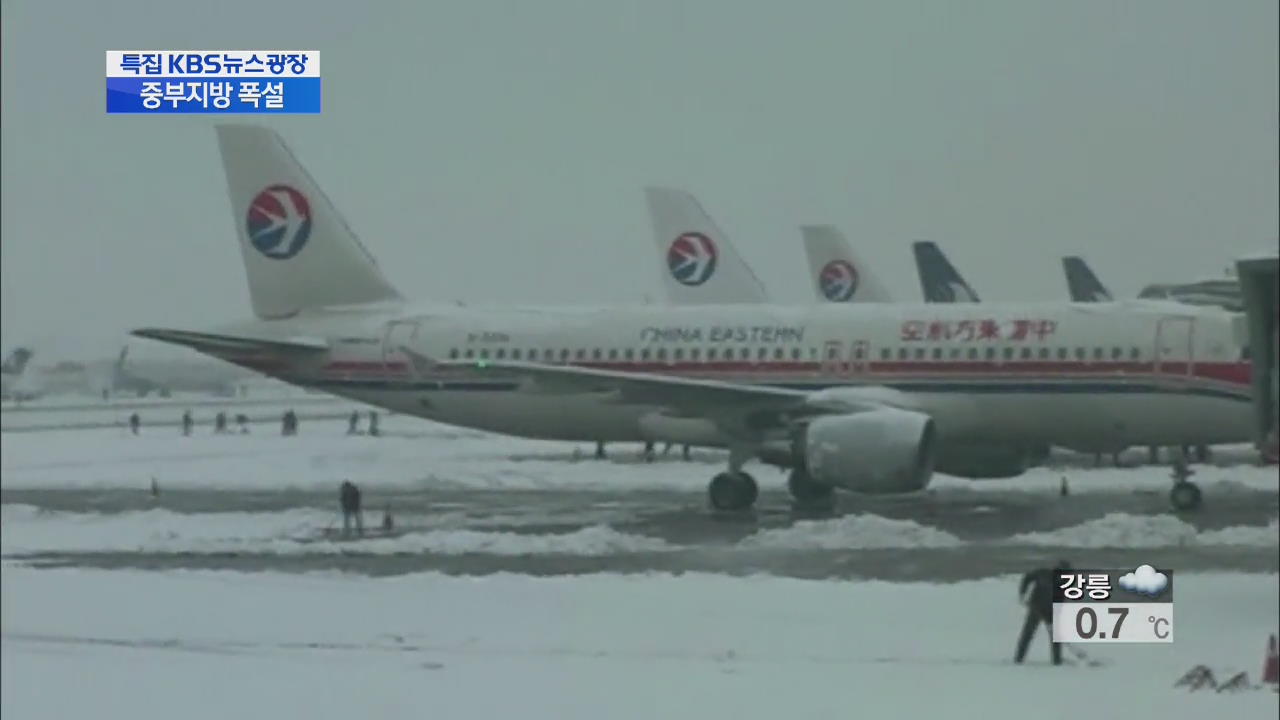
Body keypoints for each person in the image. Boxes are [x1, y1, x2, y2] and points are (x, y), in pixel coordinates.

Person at [1015, 559, 1070, 666]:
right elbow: (1027, 578)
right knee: (1027, 634)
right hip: (1036, 608)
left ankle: (1057, 661)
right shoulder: (1042, 573)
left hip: (1051, 611)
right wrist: (1023, 592)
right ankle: (1018, 659)